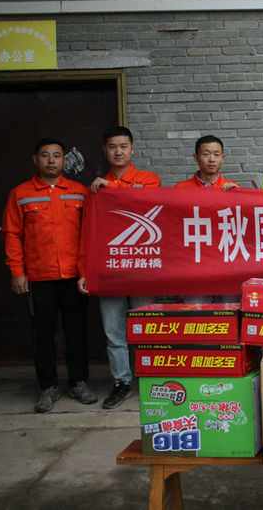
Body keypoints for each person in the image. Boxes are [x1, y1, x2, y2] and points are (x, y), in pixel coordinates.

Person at [3, 138, 97, 412]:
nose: (51, 160)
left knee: (76, 332)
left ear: (64, 160)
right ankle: (48, 387)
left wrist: (86, 271)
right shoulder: (20, 194)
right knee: (42, 334)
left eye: (57, 155)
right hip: (38, 277)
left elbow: (89, 236)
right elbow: (12, 235)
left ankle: (78, 382)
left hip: (73, 276)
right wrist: (17, 272)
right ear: (35, 159)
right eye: (45, 155)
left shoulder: (79, 192)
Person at [79, 126, 161, 409]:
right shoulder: (94, 189)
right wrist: (85, 270)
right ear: (105, 150)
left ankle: (151, 379)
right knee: (114, 333)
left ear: (132, 149)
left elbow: (142, 202)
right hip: (110, 269)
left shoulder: (149, 180)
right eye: (112, 147)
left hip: (142, 268)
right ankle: (121, 382)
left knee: (148, 329)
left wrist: (110, 189)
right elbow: (87, 233)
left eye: (123, 146)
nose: (118, 152)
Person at [176, 135, 239, 304]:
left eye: (216, 154)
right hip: (194, 266)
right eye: (206, 154)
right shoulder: (180, 190)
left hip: (226, 265)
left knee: (228, 313)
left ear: (222, 158)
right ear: (196, 157)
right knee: (196, 314)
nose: (212, 159)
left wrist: (238, 196)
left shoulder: (233, 189)